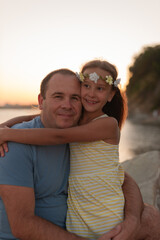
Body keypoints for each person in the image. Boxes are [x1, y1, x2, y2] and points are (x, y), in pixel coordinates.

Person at [0, 61, 143, 239]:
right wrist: (7, 127)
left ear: (110, 94)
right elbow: (23, 225)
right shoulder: (17, 146)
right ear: (41, 101)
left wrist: (133, 219)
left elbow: (59, 137)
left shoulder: (95, 126)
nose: (67, 105)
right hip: (71, 223)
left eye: (74, 98)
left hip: (95, 211)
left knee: (151, 218)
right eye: (58, 96)